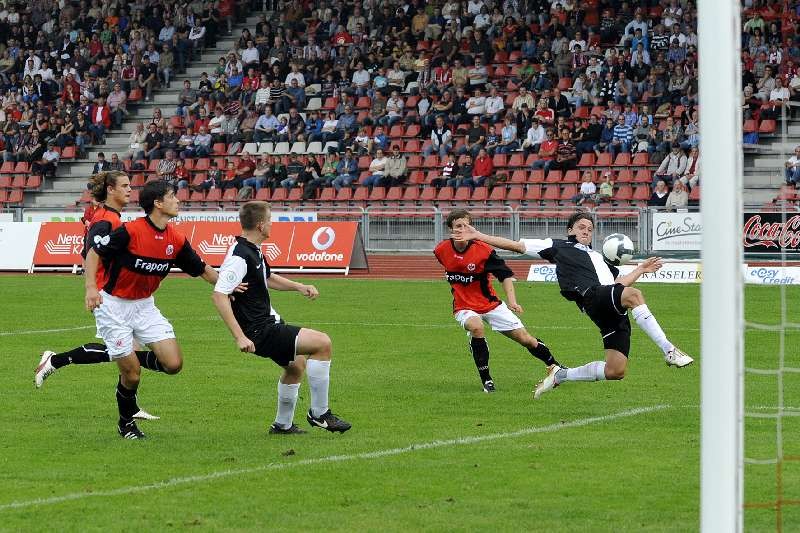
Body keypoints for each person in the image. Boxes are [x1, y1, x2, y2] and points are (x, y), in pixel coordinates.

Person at [452, 212, 694, 399]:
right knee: (634, 295)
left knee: (615, 371)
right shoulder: (558, 246)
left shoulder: (599, 258)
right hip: (591, 296)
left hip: (608, 306)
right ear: (570, 230)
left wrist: (640, 269)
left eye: (590, 229)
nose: (586, 231)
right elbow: (517, 246)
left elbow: (618, 284)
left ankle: (561, 374)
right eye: (581, 227)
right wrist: (478, 236)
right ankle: (669, 350)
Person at [83, 180, 226, 439]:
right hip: (113, 305)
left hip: (144, 306)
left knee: (173, 364)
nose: (178, 200)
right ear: (158, 203)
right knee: (132, 375)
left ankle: (125, 355)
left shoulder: (176, 238)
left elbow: (201, 269)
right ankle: (126, 423)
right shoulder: (130, 231)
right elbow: (94, 253)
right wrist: (91, 288)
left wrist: (228, 285)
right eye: (173, 196)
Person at [212, 201, 351, 434]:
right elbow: (219, 295)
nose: (272, 224)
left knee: (296, 366)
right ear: (260, 225)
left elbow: (267, 277)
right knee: (322, 343)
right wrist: (239, 337)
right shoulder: (239, 256)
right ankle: (320, 413)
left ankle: (282, 425)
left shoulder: (250, 249)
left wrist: (299, 286)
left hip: (265, 325)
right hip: (260, 331)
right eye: (270, 220)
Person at [35, 171, 157, 421]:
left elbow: (86, 251)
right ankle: (56, 361)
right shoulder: (106, 220)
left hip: (117, 293)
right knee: (124, 355)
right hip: (109, 295)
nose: (129, 190)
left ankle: (130, 407)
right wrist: (93, 287)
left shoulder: (110, 218)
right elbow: (91, 252)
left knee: (128, 357)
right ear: (110, 190)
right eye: (124, 186)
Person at [433, 209, 563, 393]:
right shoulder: (441, 250)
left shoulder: (483, 251)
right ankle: (487, 381)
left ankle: (555, 366)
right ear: (451, 230)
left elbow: (505, 275)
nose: (462, 229)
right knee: (476, 326)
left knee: (525, 339)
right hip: (464, 307)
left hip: (491, 304)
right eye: (457, 226)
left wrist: (512, 301)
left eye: (466, 225)